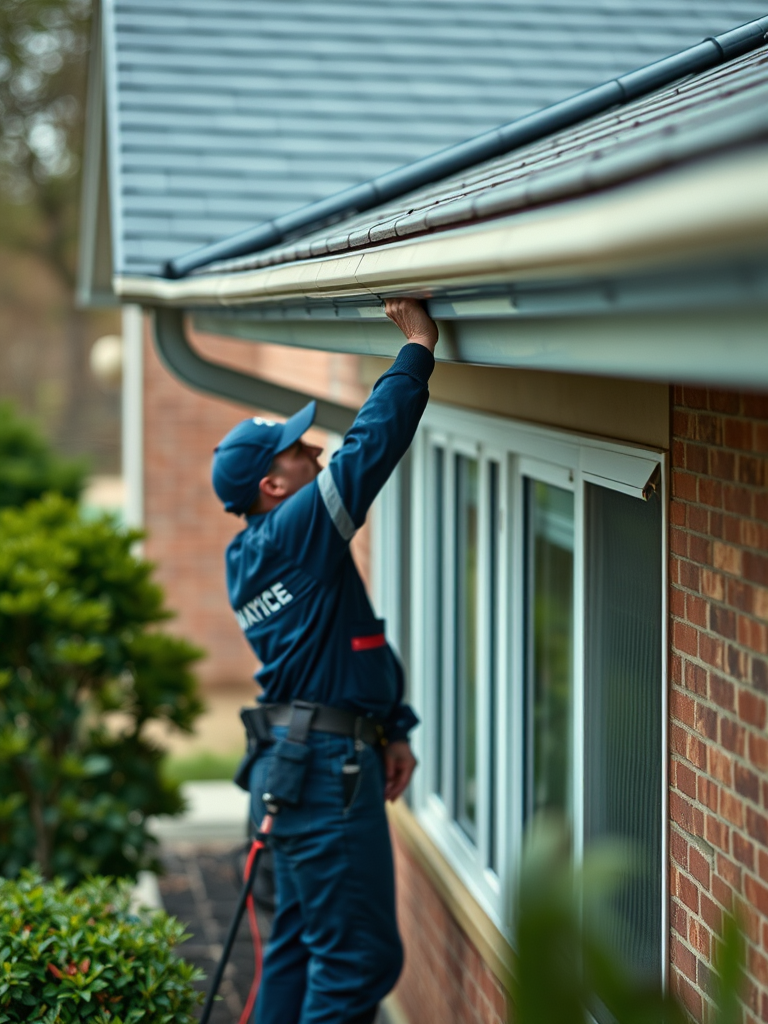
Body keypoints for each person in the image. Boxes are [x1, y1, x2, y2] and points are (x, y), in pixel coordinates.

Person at [210, 298, 439, 1024]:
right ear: (272, 488)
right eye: (296, 450)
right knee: (358, 962)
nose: (314, 452)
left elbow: (347, 643)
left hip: (297, 762)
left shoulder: (247, 554)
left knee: (302, 947)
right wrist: (417, 350)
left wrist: (392, 726)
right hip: (320, 775)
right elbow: (368, 449)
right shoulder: (292, 533)